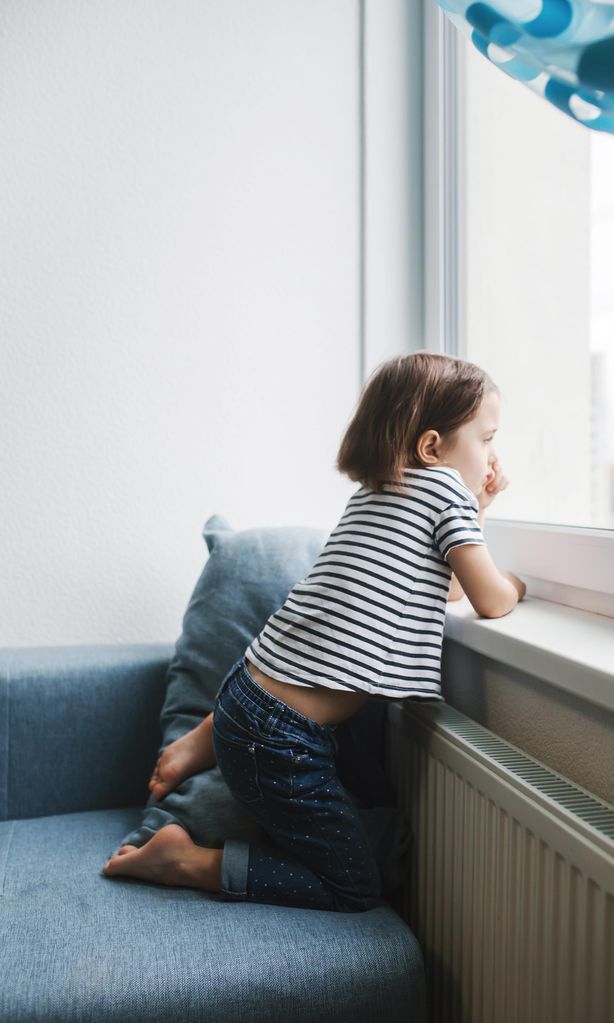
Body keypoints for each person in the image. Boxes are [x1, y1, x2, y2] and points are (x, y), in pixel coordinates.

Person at [102, 350, 526, 910]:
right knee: (353, 885)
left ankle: (199, 744)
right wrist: (517, 582)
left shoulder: (376, 494)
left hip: (247, 695)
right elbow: (488, 598)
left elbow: (441, 585)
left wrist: (480, 509)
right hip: (279, 739)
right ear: (431, 448)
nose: (492, 456)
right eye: (487, 438)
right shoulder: (445, 490)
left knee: (288, 660)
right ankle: (187, 860)